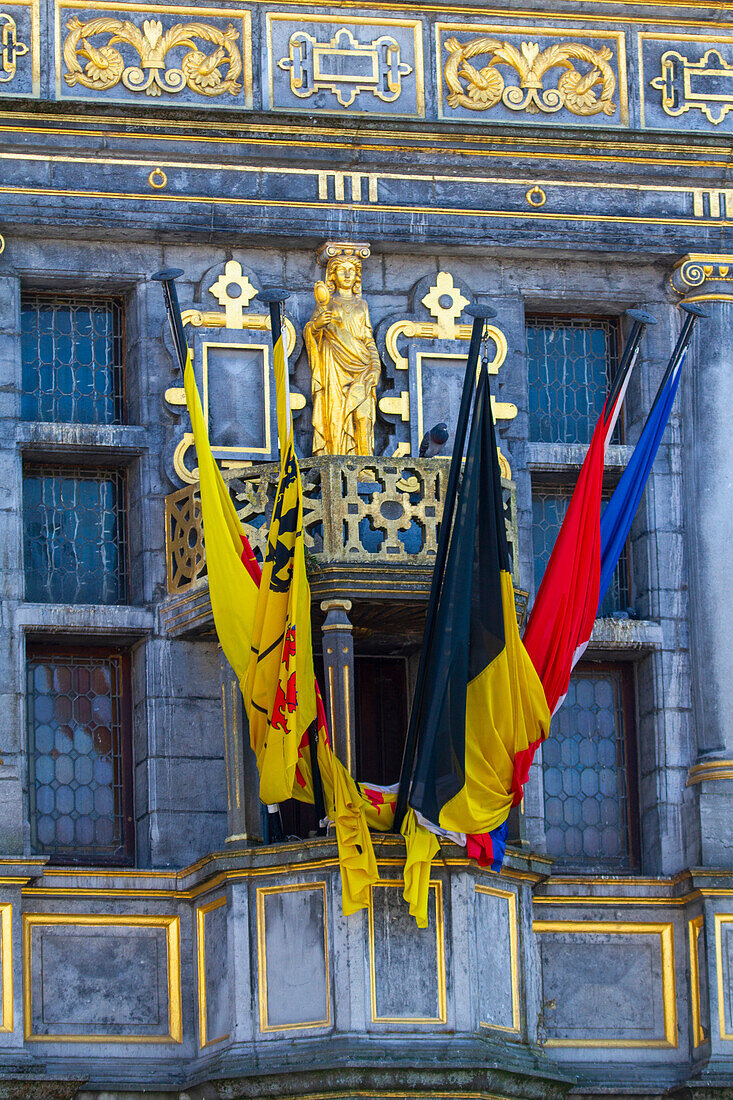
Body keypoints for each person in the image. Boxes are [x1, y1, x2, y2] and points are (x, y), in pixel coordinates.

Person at [304, 254, 382, 455]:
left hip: (362, 365)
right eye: (342, 270)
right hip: (335, 368)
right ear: (333, 276)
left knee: (364, 416)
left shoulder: (362, 305)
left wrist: (375, 365)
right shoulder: (326, 304)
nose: (347, 275)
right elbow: (312, 332)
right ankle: (335, 456)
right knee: (336, 414)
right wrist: (317, 326)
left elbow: (368, 338)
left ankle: (365, 466)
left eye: (352, 270)